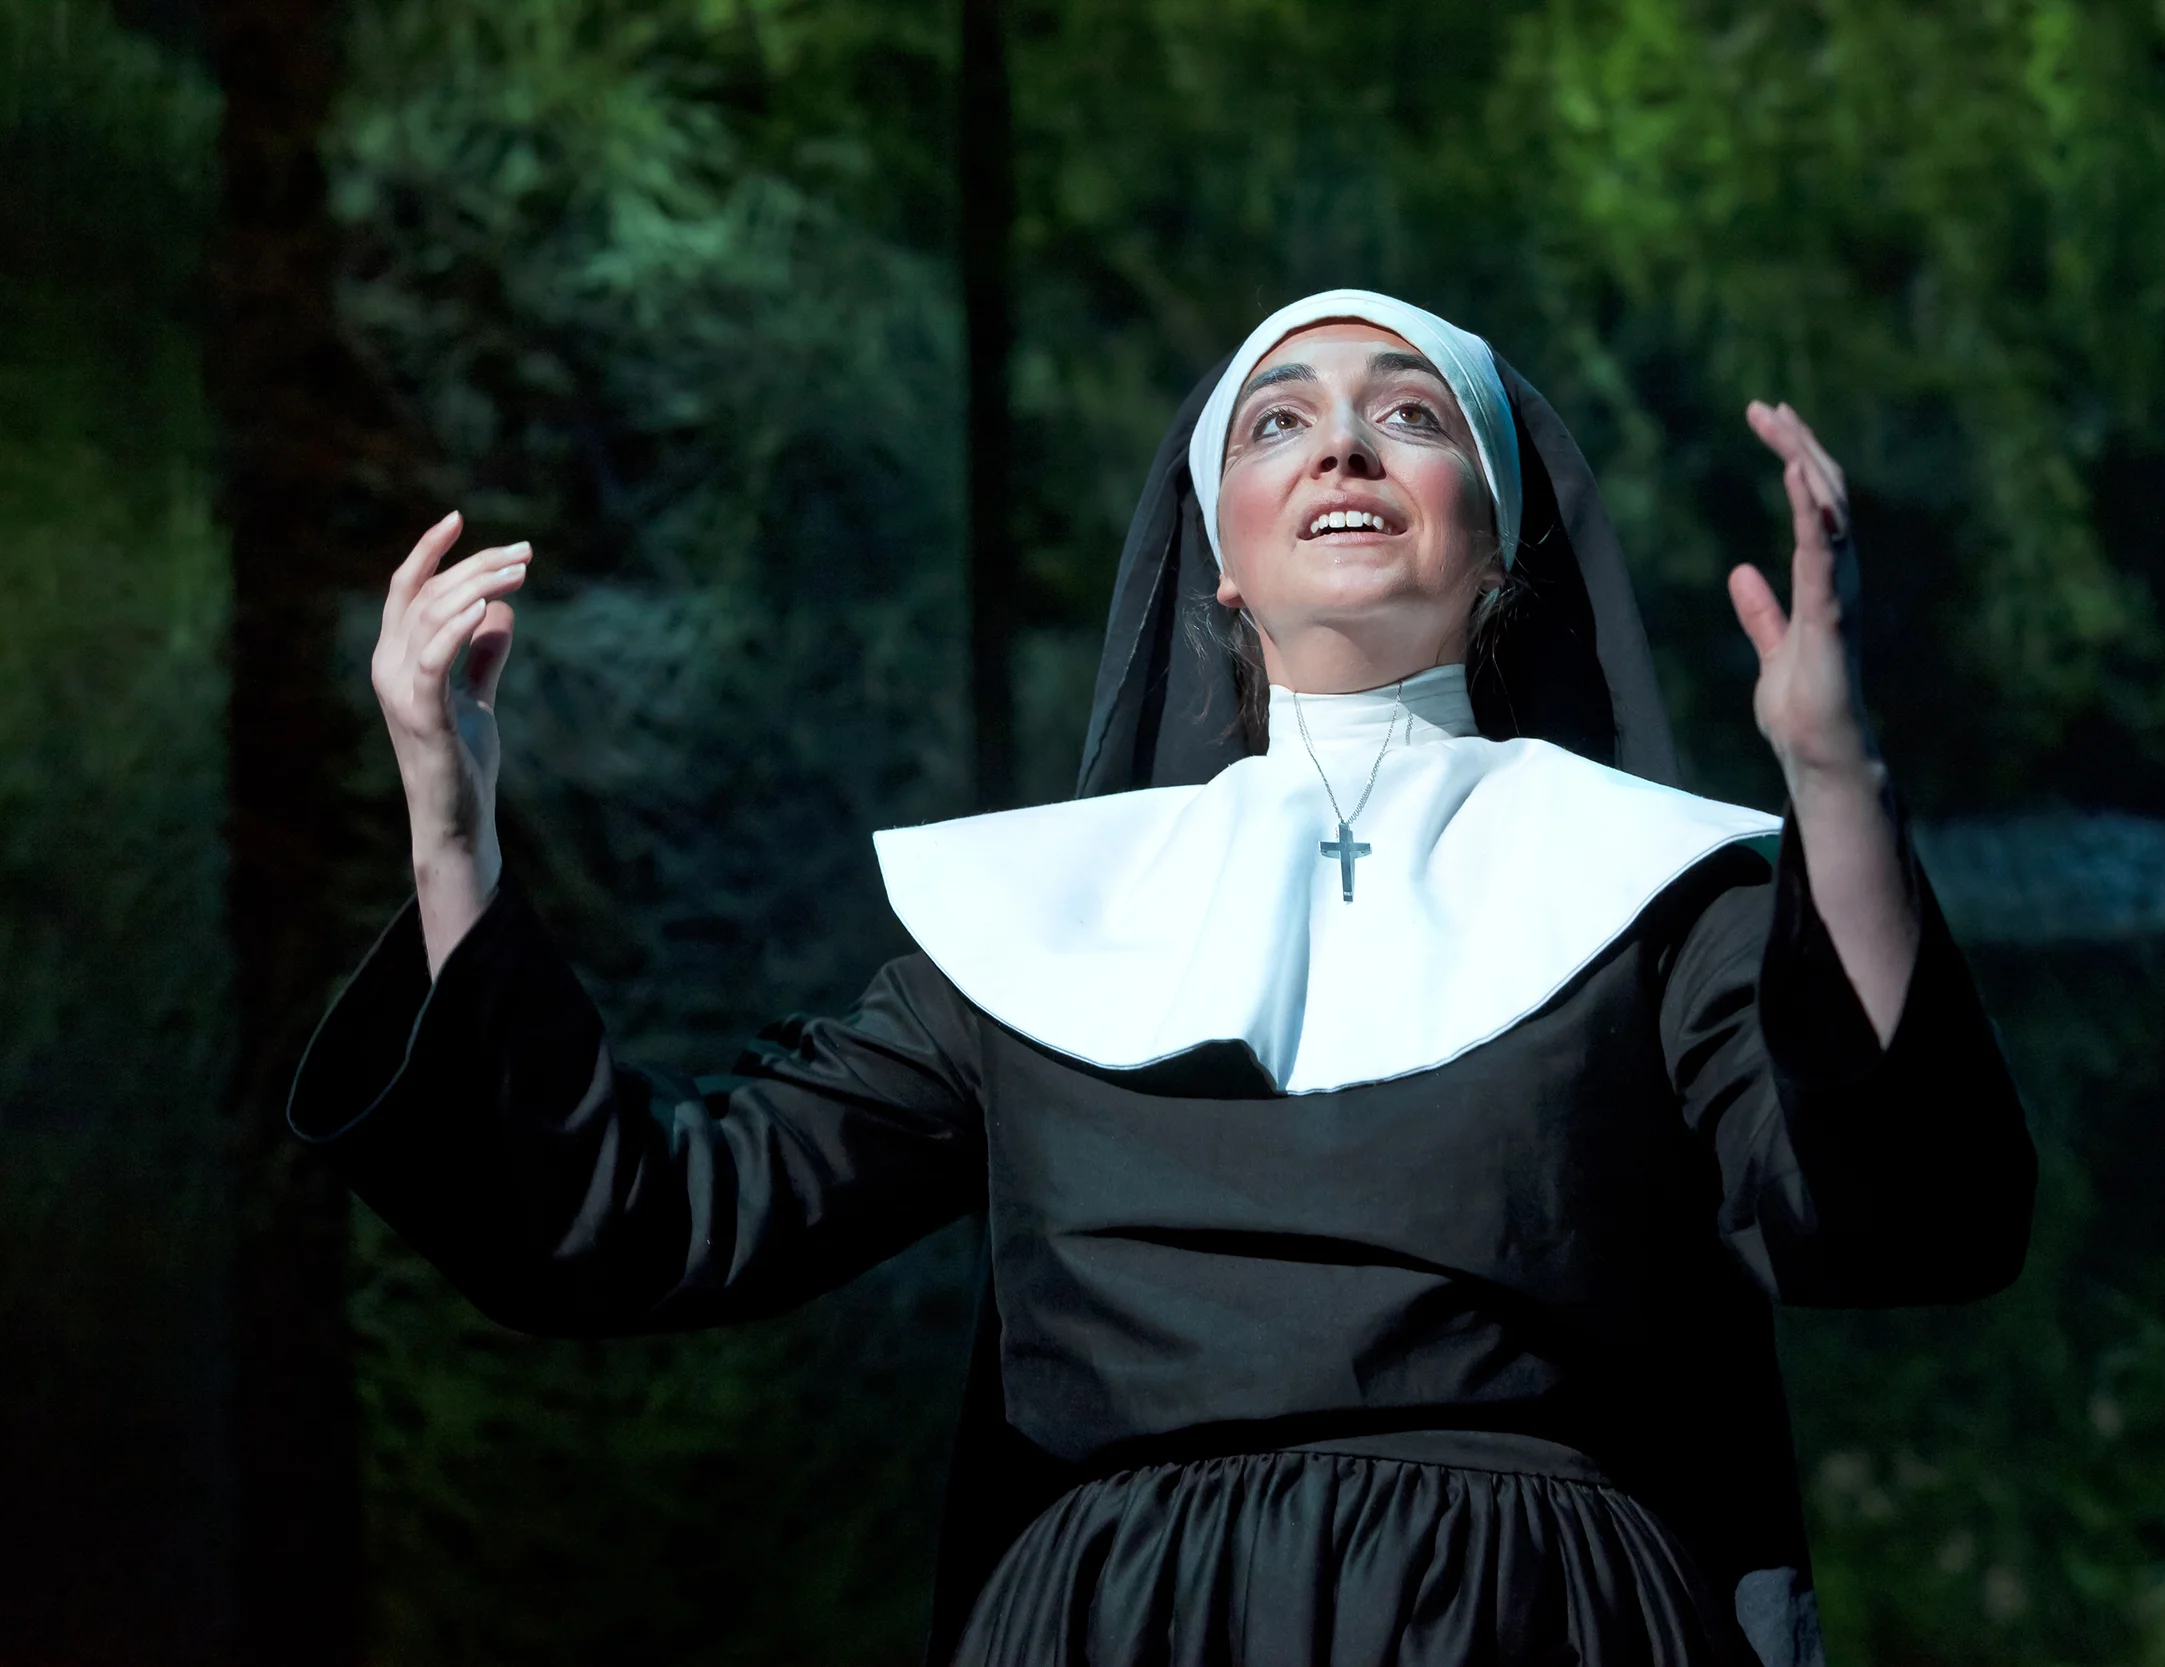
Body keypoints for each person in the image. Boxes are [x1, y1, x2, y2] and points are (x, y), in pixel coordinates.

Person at [294, 289, 2033, 1667]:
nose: (1342, 442)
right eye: (1279, 420)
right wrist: (453, 819)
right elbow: (636, 1217)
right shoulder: (1040, 922)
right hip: (1125, 1622)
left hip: (1532, 1616)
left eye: (1410, 416)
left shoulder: (1646, 893)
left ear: (1501, 542)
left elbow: (1905, 1220)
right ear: (1219, 550)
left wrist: (1833, 776)